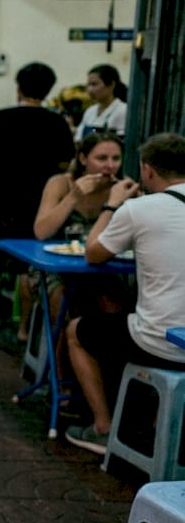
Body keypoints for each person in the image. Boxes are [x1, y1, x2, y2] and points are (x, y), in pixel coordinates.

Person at [61, 132, 185, 455]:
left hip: (160, 343)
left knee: (77, 332)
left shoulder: (140, 208)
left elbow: (93, 253)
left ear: (147, 171)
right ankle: (156, 425)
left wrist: (111, 205)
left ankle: (102, 428)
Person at [0, 62, 74, 344]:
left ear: (19, 86)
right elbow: (65, 162)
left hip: (0, 196)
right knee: (26, 265)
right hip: (38, 200)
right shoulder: (56, 122)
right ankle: (23, 330)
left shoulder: (3, 117)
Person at [32, 131, 131, 329]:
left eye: (116, 158)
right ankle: (60, 357)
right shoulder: (60, 183)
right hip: (56, 267)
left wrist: (124, 202)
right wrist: (73, 197)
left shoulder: (122, 190)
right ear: (83, 158)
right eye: (102, 158)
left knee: (114, 308)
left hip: (102, 268)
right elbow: (41, 232)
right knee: (62, 304)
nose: (110, 165)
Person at [74, 64, 127, 141]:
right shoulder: (90, 111)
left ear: (111, 85)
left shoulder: (123, 111)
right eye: (88, 85)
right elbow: (78, 139)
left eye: (94, 84)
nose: (89, 90)